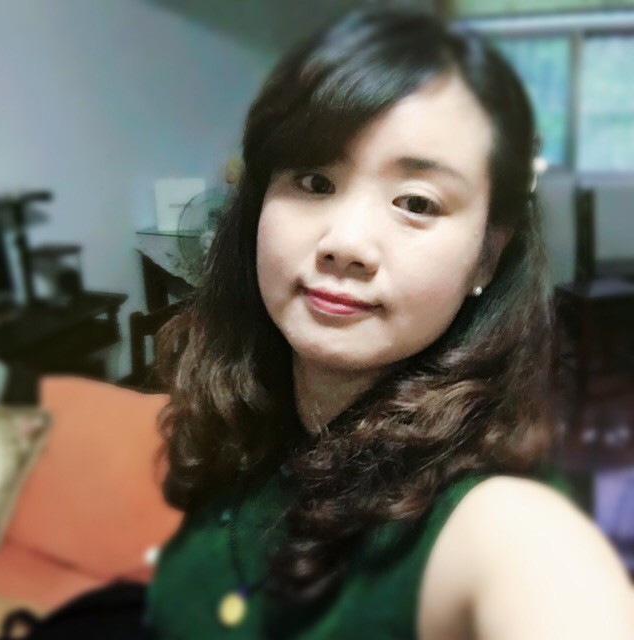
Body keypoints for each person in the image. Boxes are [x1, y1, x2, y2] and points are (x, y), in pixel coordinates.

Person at [147, 7, 634, 639]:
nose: (345, 243)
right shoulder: (241, 425)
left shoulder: (501, 526)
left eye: (416, 203)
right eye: (314, 181)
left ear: (487, 254)